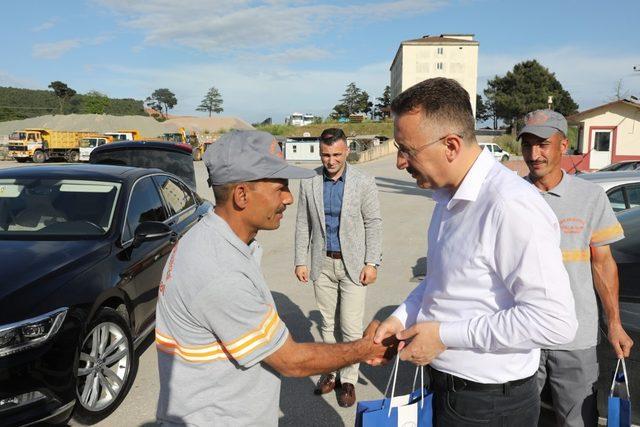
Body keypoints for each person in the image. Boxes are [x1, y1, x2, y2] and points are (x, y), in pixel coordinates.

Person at [371, 78, 578, 426]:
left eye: (407, 150)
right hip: (448, 391)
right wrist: (401, 317)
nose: (400, 163)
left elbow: (555, 322)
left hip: (490, 405)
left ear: (451, 145)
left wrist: (443, 335)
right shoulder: (446, 198)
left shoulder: (509, 205)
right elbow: (443, 282)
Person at [154, 131, 395, 426]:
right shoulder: (219, 271)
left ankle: (346, 381)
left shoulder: (217, 242)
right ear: (242, 195)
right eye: (280, 187)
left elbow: (372, 222)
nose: (289, 198)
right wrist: (366, 348)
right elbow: (291, 360)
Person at [519, 109, 633, 426]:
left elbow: (603, 264)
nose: (533, 154)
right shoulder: (510, 195)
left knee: (576, 420)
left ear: (564, 145)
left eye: (542, 144)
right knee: (521, 418)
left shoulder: (589, 196)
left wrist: (614, 323)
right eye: (527, 145)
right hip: (522, 335)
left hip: (576, 337)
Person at [294, 128, 383, 407]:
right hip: (322, 264)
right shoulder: (309, 182)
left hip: (353, 266)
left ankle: (348, 381)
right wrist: (300, 260)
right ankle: (329, 373)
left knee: (351, 327)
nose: (330, 160)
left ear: (346, 151)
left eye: (336, 154)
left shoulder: (363, 181)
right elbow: (302, 224)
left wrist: (372, 262)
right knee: (327, 325)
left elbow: (373, 222)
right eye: (325, 155)